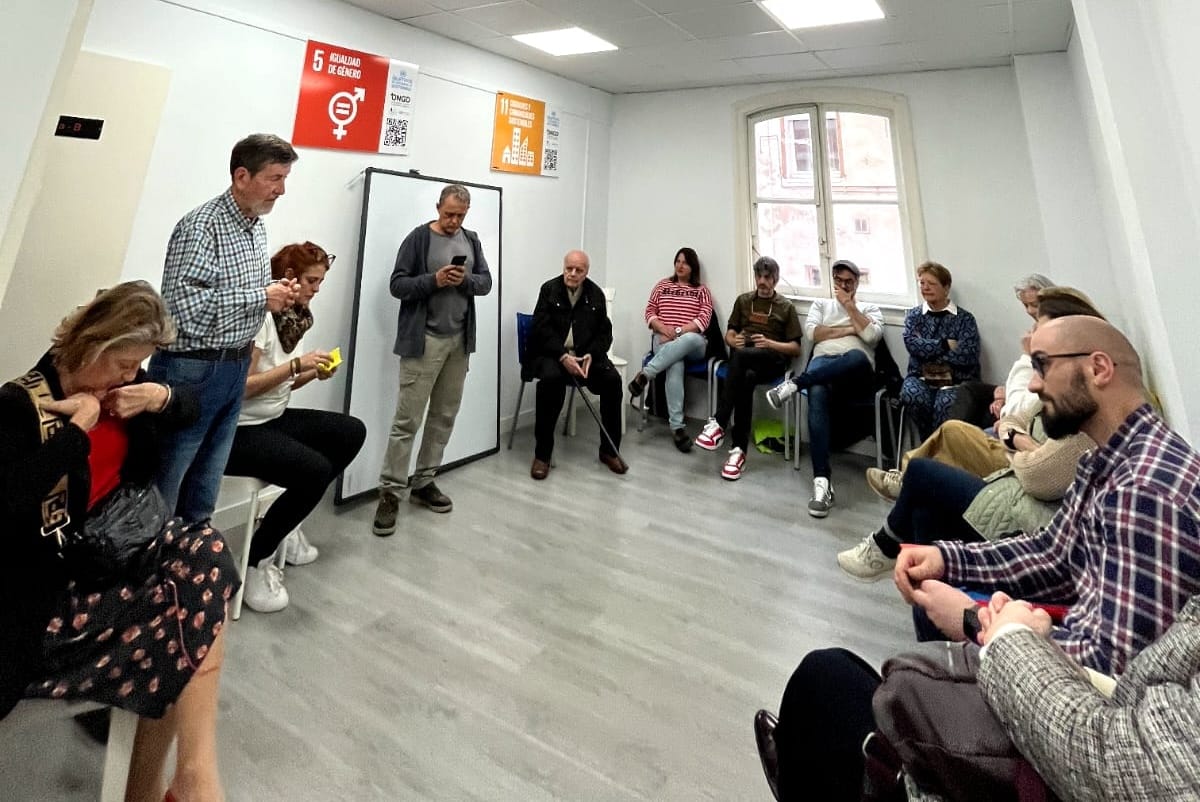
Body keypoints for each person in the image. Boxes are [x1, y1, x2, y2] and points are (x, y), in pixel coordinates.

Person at [0, 282, 237, 802]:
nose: (132, 376)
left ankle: (188, 777)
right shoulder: (20, 405)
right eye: (126, 364)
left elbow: (188, 406)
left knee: (207, 553)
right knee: (191, 615)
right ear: (94, 345)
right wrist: (76, 434)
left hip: (113, 556)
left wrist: (160, 396)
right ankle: (170, 788)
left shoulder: (123, 386)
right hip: (49, 599)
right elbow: (10, 506)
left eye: (139, 366)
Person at [894, 315, 1200, 676]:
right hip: (1070, 644)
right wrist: (947, 558)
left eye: (1042, 365)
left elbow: (1117, 668)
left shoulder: (1144, 492)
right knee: (931, 598)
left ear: (1098, 369)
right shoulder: (1104, 461)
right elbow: (1053, 554)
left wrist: (975, 623)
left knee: (896, 674)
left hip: (1084, 694)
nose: (1034, 384)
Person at [753, 589, 1200, 802]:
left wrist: (1007, 638)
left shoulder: (1144, 487)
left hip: (1063, 765)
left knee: (824, 680)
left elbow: (1128, 769)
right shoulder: (1101, 465)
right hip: (1083, 699)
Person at [150, 133, 301, 526]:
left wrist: (275, 295)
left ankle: (193, 557)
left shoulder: (256, 227)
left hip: (233, 366)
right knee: (169, 480)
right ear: (241, 176)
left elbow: (239, 294)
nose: (281, 190)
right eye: (275, 178)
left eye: (284, 179)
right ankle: (154, 559)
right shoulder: (201, 226)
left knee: (205, 484)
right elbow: (181, 309)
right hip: (192, 369)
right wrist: (259, 297)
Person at [224, 242, 366, 612]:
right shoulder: (261, 319)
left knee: (350, 432)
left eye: (320, 282)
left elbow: (281, 383)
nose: (316, 290)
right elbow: (240, 389)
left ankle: (284, 524)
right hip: (237, 431)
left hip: (271, 419)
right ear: (289, 277)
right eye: (312, 281)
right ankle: (256, 559)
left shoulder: (294, 319)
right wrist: (295, 366)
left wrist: (312, 373)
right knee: (314, 471)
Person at [865, 287, 1095, 502]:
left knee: (951, 423)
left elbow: (968, 359)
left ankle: (909, 479)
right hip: (1008, 422)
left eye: (1034, 309)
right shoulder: (916, 315)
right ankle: (911, 478)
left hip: (1015, 445)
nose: (1030, 318)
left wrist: (1028, 358)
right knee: (944, 397)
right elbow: (915, 348)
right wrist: (1006, 406)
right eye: (921, 283)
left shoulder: (1074, 394)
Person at [372, 184, 493, 536]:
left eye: (460, 215)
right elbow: (397, 285)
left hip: (459, 342)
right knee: (406, 421)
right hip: (423, 342)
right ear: (437, 207)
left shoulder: (471, 240)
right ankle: (390, 492)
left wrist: (464, 280)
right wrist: (434, 281)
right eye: (449, 214)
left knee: (443, 416)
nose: (454, 221)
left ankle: (424, 481)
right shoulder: (418, 239)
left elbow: (485, 283)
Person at [764, 259, 883, 517]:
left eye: (848, 282)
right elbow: (813, 334)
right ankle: (822, 483)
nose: (843, 286)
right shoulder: (820, 305)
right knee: (817, 390)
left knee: (856, 356)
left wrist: (850, 308)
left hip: (856, 373)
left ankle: (794, 384)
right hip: (823, 365)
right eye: (839, 280)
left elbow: (872, 337)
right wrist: (852, 330)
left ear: (857, 283)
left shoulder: (869, 308)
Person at [694, 256, 803, 480]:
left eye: (767, 277)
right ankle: (738, 452)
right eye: (759, 276)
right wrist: (733, 341)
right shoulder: (743, 301)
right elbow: (730, 333)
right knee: (746, 376)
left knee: (742, 359)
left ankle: (719, 422)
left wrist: (770, 343)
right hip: (745, 362)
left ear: (775, 279)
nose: (762, 281)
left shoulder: (786, 307)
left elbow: (795, 348)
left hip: (772, 360)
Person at [524, 249, 627, 480]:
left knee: (612, 381)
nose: (572, 273)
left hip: (584, 357)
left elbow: (605, 333)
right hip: (553, 355)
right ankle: (542, 455)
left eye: (578, 270)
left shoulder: (595, 294)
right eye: (568, 268)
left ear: (586, 272)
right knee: (550, 382)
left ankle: (609, 451)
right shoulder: (549, 289)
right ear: (563, 268)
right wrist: (563, 356)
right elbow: (540, 329)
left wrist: (591, 354)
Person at [626, 247, 714, 452]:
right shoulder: (662, 285)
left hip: (693, 342)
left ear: (693, 267)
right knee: (675, 363)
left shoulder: (701, 291)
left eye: (685, 262)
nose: (680, 266)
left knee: (689, 339)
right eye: (678, 261)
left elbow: (703, 320)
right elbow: (650, 312)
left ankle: (646, 374)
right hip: (663, 339)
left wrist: (676, 332)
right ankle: (677, 428)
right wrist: (663, 329)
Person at [942, 273, 1055, 429]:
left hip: (1032, 397)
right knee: (969, 389)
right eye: (1025, 305)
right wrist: (1005, 392)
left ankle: (953, 439)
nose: (1030, 311)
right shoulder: (1037, 328)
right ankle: (950, 438)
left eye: (1034, 305)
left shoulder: (1056, 332)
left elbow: (1043, 379)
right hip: (1022, 388)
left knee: (982, 414)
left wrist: (1008, 399)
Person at [898, 261, 981, 439]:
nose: (925, 288)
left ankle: (938, 449)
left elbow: (967, 355)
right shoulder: (913, 316)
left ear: (946, 287)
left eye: (932, 283)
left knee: (946, 403)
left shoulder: (965, 319)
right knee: (913, 396)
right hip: (920, 377)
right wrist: (945, 344)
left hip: (957, 379)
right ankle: (929, 445)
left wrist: (927, 350)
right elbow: (912, 345)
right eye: (922, 283)